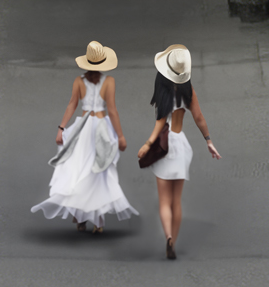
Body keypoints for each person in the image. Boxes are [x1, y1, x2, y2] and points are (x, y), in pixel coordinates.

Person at [36, 39, 135, 234]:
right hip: (101, 127)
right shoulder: (109, 82)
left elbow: (72, 105)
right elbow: (112, 110)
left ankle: (80, 216)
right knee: (98, 172)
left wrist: (62, 128)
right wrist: (121, 136)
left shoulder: (79, 81)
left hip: (82, 128)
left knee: (79, 170)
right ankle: (98, 220)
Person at [138, 43, 220, 263]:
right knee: (177, 201)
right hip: (180, 146)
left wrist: (147, 144)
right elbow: (199, 118)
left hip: (164, 148)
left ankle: (169, 237)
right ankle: (174, 239)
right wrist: (208, 141)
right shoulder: (189, 91)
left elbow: (159, 123)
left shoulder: (163, 93)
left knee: (163, 201)